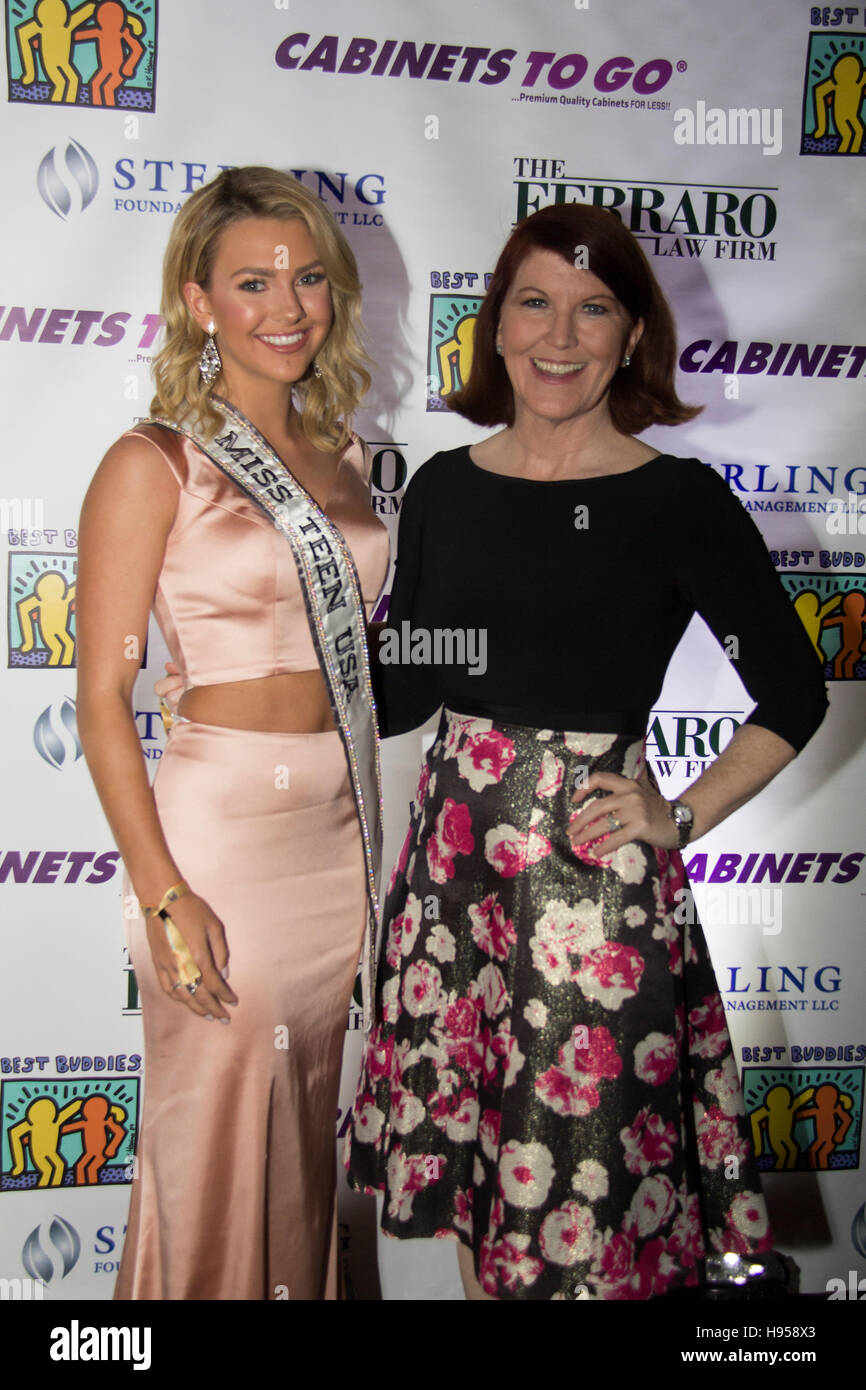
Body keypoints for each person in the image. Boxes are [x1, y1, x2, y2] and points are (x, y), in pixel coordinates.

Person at [344, 203, 828, 1301]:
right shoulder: (443, 489)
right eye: (533, 302)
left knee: (584, 1206)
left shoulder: (674, 502)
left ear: (628, 334)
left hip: (585, 895)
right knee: (480, 1185)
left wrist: (681, 813)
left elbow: (792, 693)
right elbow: (405, 688)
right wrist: (273, 650)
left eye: (591, 307)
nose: (557, 336)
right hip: (451, 882)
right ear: (495, 324)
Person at [76, 166, 388, 1300]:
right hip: (218, 848)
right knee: (210, 1147)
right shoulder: (154, 461)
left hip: (332, 836)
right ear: (200, 302)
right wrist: (162, 891)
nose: (287, 305)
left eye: (307, 277)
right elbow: (101, 698)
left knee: (302, 1146)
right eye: (252, 281)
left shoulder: (346, 462)